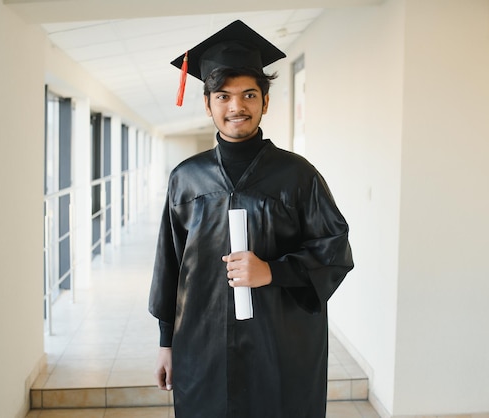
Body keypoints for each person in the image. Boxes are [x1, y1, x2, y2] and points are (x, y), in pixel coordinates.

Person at [148, 19, 354, 418]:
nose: (236, 106)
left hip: (280, 345)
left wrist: (272, 272)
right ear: (207, 103)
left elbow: (335, 252)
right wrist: (165, 343)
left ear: (265, 101)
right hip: (202, 345)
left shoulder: (298, 176)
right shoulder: (186, 179)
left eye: (248, 94)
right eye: (222, 96)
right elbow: (169, 266)